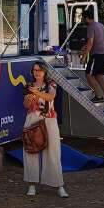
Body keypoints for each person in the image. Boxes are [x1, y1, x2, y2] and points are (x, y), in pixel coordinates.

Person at [23, 61, 69, 198]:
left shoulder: (51, 84)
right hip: (32, 119)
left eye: (39, 70)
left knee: (53, 152)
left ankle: (58, 185)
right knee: (31, 151)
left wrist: (37, 93)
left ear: (44, 71)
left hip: (49, 119)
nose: (37, 72)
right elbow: (25, 104)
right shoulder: (28, 86)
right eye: (35, 70)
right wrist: (29, 99)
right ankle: (32, 185)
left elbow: (51, 96)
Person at [81, 9, 104, 109]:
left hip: (97, 55)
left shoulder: (90, 27)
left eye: (82, 18)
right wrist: (85, 47)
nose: (82, 20)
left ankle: (98, 96)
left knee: (88, 74)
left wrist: (84, 57)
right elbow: (99, 40)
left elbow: (91, 43)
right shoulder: (100, 25)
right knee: (98, 76)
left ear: (86, 18)